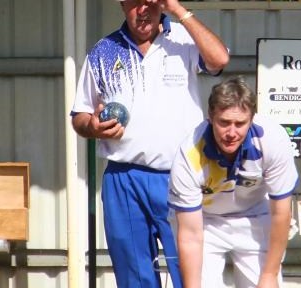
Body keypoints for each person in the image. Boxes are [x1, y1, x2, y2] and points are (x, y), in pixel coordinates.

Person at [70, 0, 229, 287]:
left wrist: (178, 10)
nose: (143, 9)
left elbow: (219, 60)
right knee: (134, 277)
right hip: (123, 177)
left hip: (180, 176)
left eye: (151, 1)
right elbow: (79, 115)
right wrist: (93, 126)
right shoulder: (103, 50)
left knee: (191, 272)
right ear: (122, 4)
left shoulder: (183, 37)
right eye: (134, 2)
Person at [169, 77, 299, 288]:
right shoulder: (189, 153)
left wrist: (269, 275)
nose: (231, 133)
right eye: (224, 123)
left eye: (240, 124)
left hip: (256, 214)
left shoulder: (273, 140)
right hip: (204, 219)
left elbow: (281, 213)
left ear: (252, 119)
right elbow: (190, 235)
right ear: (210, 116)